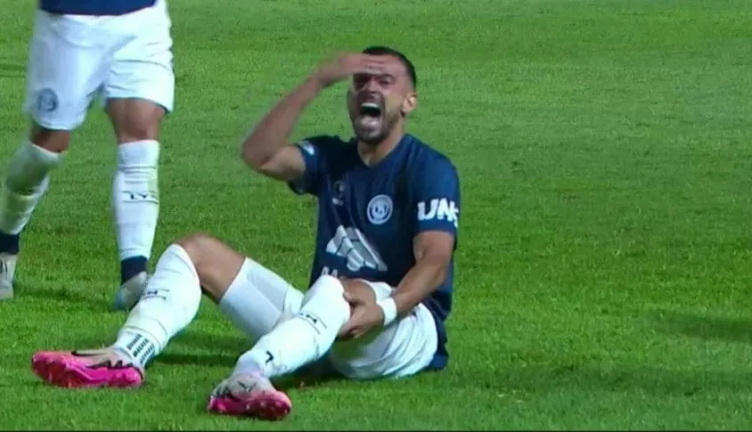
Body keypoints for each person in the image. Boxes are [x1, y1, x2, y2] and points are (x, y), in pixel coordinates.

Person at [31, 46, 461, 421]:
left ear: (409, 101)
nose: (370, 88)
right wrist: (315, 82)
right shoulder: (335, 156)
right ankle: (126, 355)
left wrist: (383, 312)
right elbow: (259, 155)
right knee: (193, 251)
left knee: (338, 289)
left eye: (385, 81)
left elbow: (434, 263)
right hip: (325, 318)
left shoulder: (429, 169)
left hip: (403, 327)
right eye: (361, 80)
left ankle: (251, 373)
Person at [0, 0, 174, 310]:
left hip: (142, 18)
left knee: (141, 142)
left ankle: (134, 279)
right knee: (45, 150)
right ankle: (5, 243)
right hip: (70, 21)